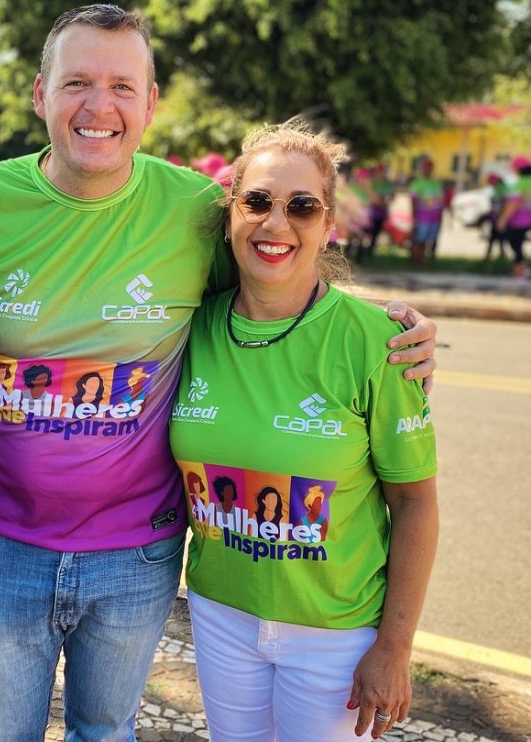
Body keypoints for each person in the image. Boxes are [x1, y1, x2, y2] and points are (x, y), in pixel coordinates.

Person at [0, 5, 438, 739]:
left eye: (123, 86)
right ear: (39, 94)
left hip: (137, 552)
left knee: (107, 732)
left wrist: (382, 328)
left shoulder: (192, 208)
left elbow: (275, 277)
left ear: (151, 103)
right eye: (78, 82)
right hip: (2, 547)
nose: (100, 106)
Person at [170, 120, 438, 741]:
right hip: (220, 614)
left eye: (302, 207)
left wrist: (394, 647)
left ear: (329, 225)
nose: (276, 223)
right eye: (257, 201)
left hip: (335, 636)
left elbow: (417, 503)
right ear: (231, 211)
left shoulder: (379, 342)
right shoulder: (190, 326)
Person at [497, 156, 531, 281]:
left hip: (517, 220)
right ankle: (520, 270)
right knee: (518, 245)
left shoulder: (518, 184)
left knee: (515, 245)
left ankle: (521, 270)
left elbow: (513, 203)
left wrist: (503, 219)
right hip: (529, 218)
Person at [408, 157, 443, 264]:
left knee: (428, 240)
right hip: (422, 217)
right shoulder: (417, 183)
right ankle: (416, 260)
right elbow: (413, 201)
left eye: (430, 167)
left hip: (434, 217)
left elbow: (440, 200)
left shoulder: (436, 183)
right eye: (426, 167)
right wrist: (413, 216)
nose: (428, 170)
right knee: (419, 239)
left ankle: (422, 260)